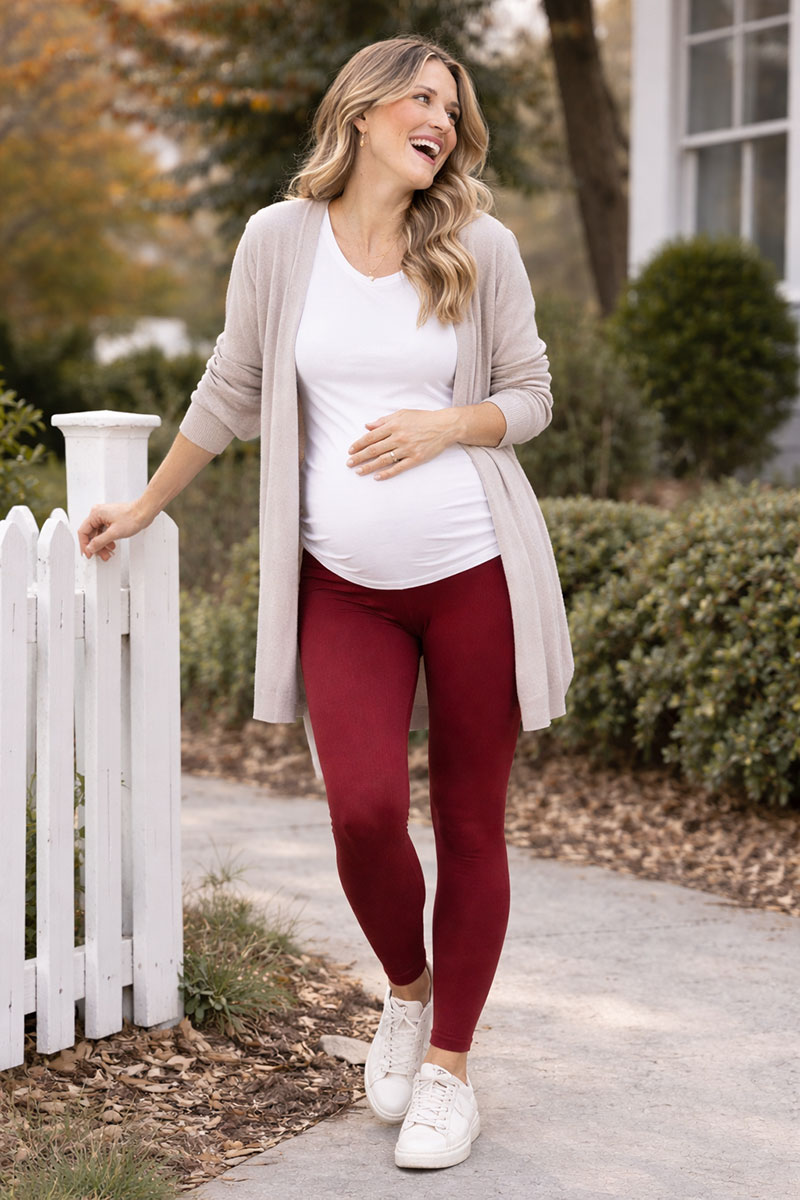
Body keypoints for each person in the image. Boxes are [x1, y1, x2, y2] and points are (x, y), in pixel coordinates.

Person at [78, 34, 573, 1171]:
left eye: (452, 106)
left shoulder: (479, 245)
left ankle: (448, 1070)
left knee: (470, 825)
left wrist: (448, 424)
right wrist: (146, 504)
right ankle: (408, 990)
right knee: (360, 812)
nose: (439, 118)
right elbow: (232, 385)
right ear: (361, 110)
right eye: (420, 97)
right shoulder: (278, 239)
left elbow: (531, 396)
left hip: (475, 575)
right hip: (342, 587)